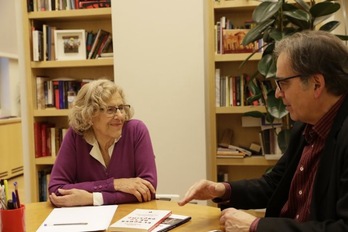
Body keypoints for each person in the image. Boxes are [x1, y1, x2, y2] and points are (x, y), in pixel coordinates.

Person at [178, 30, 348, 231]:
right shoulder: (306, 124)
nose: (277, 93)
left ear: (316, 84)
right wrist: (222, 189)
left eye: (283, 83)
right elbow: (275, 183)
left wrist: (256, 226)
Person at [48, 79, 157, 207]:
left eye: (121, 108)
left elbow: (148, 188)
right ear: (89, 114)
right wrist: (115, 184)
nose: (120, 116)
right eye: (110, 110)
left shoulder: (136, 131)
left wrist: (93, 198)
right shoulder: (76, 135)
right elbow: (56, 190)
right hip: (89, 221)